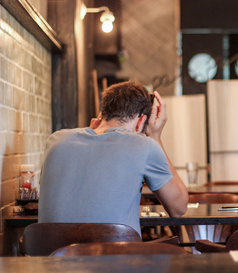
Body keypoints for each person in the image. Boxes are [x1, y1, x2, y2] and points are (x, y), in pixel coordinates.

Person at [38, 80, 188, 236]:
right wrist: (155, 137)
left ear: (102, 114)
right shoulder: (144, 145)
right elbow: (179, 208)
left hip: (50, 257)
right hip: (113, 257)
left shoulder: (55, 140)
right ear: (142, 121)